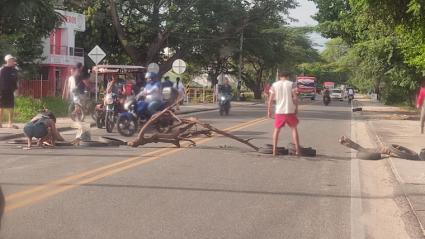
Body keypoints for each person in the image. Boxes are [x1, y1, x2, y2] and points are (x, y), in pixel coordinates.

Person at [267, 71, 300, 156]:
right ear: (287, 77)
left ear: (280, 77)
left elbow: (270, 100)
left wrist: (269, 111)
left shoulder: (274, 85)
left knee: (276, 130)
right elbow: (295, 98)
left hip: (279, 111)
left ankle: (274, 151)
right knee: (294, 129)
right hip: (289, 110)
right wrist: (296, 108)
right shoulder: (292, 84)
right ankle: (297, 151)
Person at [0, 54, 19, 128]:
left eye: (13, 60)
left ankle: (10, 123)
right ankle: (0, 122)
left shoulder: (15, 70)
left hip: (11, 91)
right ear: (7, 61)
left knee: (11, 107)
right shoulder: (1, 69)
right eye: (11, 60)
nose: (12, 61)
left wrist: (16, 90)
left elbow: (16, 81)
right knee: (1, 107)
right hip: (2, 90)